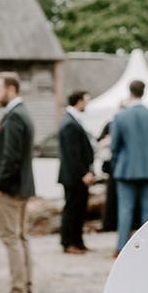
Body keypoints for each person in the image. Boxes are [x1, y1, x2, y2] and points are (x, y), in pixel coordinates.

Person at [0, 72, 35, 293]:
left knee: (11, 238)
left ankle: (18, 290)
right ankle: (26, 286)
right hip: (22, 187)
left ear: (11, 89)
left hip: (10, 189)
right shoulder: (20, 113)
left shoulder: (15, 116)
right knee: (21, 238)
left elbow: (11, 157)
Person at [111, 79, 148, 255]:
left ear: (130, 92)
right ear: (143, 92)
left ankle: (121, 247)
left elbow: (114, 145)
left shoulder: (120, 116)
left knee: (125, 209)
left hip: (126, 169)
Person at [58, 91, 95, 254]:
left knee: (79, 209)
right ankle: (68, 242)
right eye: (86, 100)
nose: (87, 104)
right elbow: (72, 154)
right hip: (74, 176)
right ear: (79, 102)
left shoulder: (73, 120)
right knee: (72, 209)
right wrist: (83, 173)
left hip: (77, 175)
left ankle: (77, 240)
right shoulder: (69, 123)